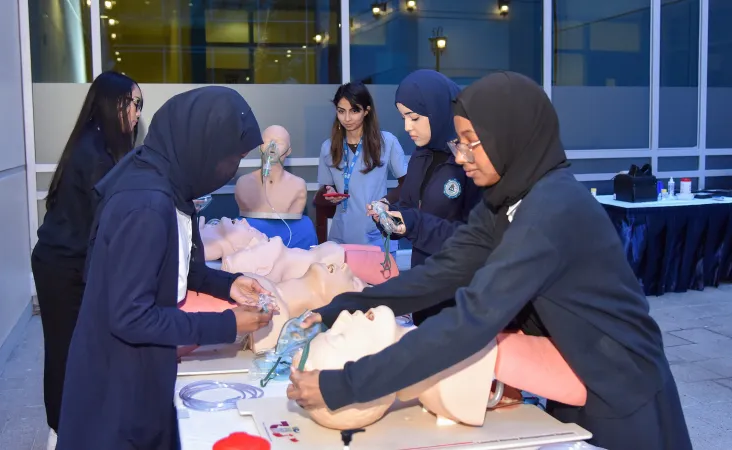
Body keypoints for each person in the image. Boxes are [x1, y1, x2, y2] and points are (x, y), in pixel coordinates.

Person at [287, 72, 691, 449]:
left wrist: (345, 384)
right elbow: (440, 273)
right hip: (571, 375)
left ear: (508, 136)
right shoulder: (506, 200)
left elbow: (472, 320)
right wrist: (342, 305)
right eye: (458, 141)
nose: (461, 155)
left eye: (471, 142)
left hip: (622, 391)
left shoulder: (552, 210)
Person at [55, 86, 275, 450]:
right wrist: (227, 324)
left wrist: (228, 284)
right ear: (204, 146)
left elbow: (172, 266)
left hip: (138, 367)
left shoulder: (166, 182)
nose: (231, 170)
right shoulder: (146, 204)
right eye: (232, 158)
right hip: (118, 385)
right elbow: (131, 316)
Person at [30, 71, 141, 442]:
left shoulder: (95, 143)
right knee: (66, 351)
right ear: (114, 104)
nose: (137, 113)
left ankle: (71, 425)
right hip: (62, 266)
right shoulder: (95, 154)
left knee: (75, 349)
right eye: (133, 103)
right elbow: (107, 222)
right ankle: (65, 430)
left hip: (64, 260)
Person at [369, 69, 482, 325]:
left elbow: (478, 236)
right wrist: (389, 219)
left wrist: (414, 223)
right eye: (403, 118)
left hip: (459, 290)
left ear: (438, 109)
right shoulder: (421, 155)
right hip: (424, 282)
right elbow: (409, 208)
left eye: (415, 118)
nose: (407, 127)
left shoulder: (470, 161)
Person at [316, 81, 407, 249]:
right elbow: (324, 192)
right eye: (341, 111)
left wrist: (385, 202)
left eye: (354, 110)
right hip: (340, 237)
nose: (347, 118)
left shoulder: (387, 142)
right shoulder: (328, 147)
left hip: (376, 234)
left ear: (366, 111)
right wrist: (329, 193)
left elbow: (407, 184)